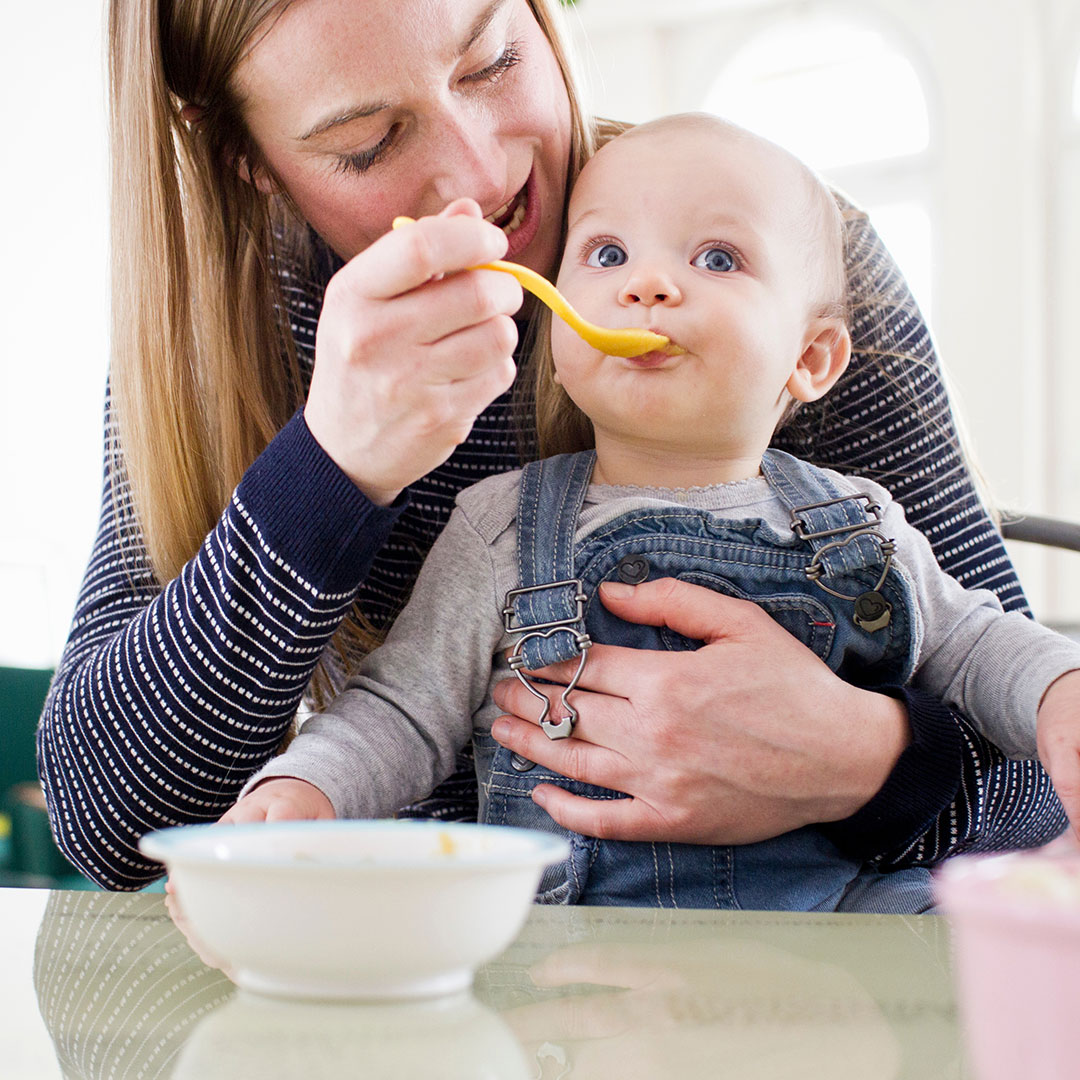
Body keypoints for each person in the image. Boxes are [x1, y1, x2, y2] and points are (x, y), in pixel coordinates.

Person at [37, 0, 1065, 894]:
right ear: (246, 158)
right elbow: (106, 822)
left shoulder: (784, 266)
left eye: (492, 61)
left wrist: (870, 762)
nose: (478, 174)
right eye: (366, 142)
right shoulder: (226, 338)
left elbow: (1036, 788)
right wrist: (330, 471)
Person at [223, 114, 1080, 912]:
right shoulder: (498, 527)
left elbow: (977, 645)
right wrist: (303, 793)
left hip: (845, 935)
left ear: (812, 357)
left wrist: (1058, 692)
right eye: (605, 255)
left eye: (716, 259)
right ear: (553, 338)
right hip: (571, 957)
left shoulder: (864, 522)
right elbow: (403, 713)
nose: (648, 286)